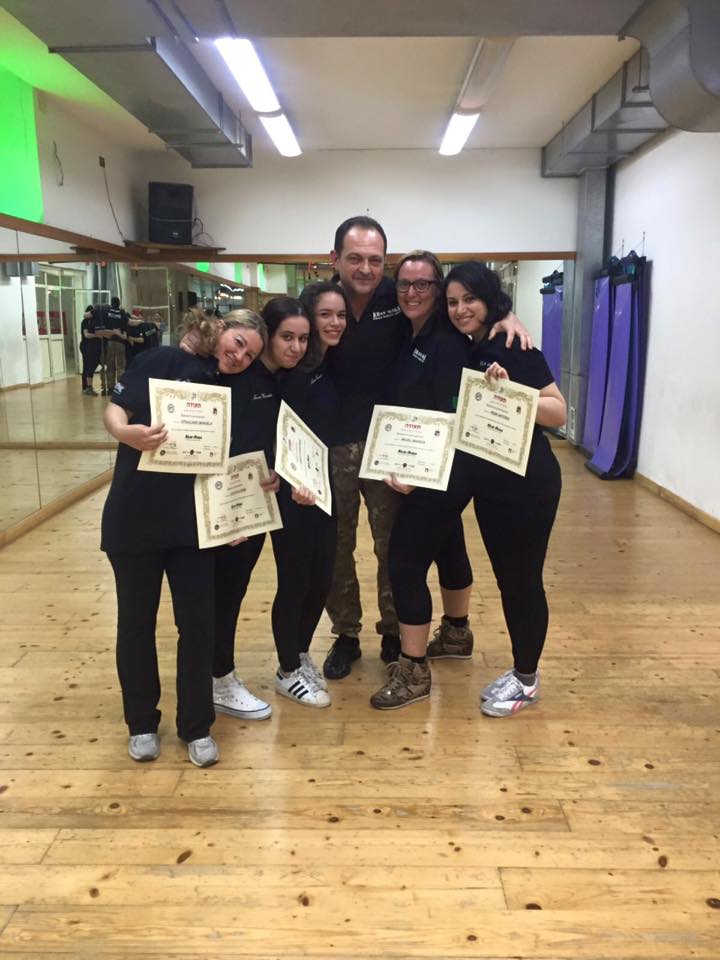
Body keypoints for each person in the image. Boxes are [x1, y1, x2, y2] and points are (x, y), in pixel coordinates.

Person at [323, 216, 532, 681]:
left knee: (392, 548)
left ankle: (394, 633)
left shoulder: (397, 297)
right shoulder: (321, 301)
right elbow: (279, 335)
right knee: (336, 546)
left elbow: (465, 308)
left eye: (375, 260)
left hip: (396, 449)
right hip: (333, 443)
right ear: (335, 258)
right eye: (355, 258)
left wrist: (505, 316)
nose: (365, 268)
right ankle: (346, 633)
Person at [373, 261, 565, 716]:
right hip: (487, 480)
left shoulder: (511, 344)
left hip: (527, 481)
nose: (461, 309)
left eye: (470, 300)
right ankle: (514, 668)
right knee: (505, 577)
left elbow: (558, 411)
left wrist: (512, 393)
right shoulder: (472, 343)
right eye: (454, 301)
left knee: (521, 582)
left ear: (489, 300)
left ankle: (526, 680)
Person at [101, 308, 266, 767]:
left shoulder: (227, 388)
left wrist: (238, 511)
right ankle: (141, 723)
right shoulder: (162, 360)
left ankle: (197, 726)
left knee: (197, 625)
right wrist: (124, 432)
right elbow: (116, 408)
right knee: (136, 623)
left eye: (250, 355)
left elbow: (231, 462)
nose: (240, 356)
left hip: (194, 525)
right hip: (135, 519)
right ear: (220, 329)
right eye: (238, 343)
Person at [211, 297, 311, 719]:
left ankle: (222, 675)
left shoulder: (280, 380)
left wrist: (276, 471)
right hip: (223, 504)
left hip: (258, 500)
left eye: (303, 340)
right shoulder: (232, 376)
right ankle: (218, 678)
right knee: (222, 591)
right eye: (287, 337)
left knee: (238, 586)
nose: (295, 347)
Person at [269, 282, 348, 707]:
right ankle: (286, 670)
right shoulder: (285, 373)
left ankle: (300, 655)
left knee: (321, 579)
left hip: (323, 487)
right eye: (325, 315)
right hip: (291, 491)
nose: (334, 323)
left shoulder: (328, 361)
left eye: (341, 315)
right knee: (295, 581)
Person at [79, 304, 101, 396]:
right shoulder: (84, 322)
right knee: (87, 366)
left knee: (89, 366)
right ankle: (86, 388)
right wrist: (97, 335)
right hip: (86, 346)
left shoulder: (94, 321)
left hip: (92, 346)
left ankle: (87, 387)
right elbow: (86, 335)